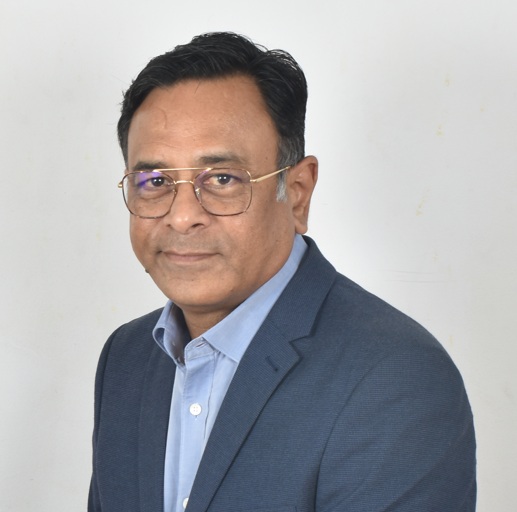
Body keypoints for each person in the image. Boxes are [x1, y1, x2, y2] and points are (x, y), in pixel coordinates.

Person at [88, 32, 476, 512]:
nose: (182, 216)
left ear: (297, 192)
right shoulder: (126, 359)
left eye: (223, 179)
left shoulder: (396, 379)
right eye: (154, 181)